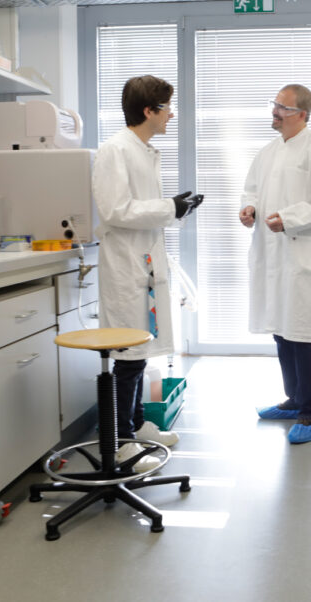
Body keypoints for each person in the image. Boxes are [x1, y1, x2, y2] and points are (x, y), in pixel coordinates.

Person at [92, 75, 203, 470]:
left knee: (140, 353)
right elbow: (115, 210)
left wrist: (177, 208)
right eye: (167, 107)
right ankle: (122, 441)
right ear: (148, 111)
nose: (171, 114)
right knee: (128, 357)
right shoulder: (115, 150)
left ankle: (138, 425)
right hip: (125, 267)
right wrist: (169, 207)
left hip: (144, 264)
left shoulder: (143, 150)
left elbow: (143, 211)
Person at [239, 84, 311, 444]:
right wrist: (249, 208)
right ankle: (293, 399)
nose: (275, 112)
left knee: (301, 332)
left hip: (301, 253)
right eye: (274, 105)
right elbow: (252, 188)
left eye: (282, 107)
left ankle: (310, 413)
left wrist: (290, 218)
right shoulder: (268, 152)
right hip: (271, 254)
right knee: (281, 330)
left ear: (302, 114)